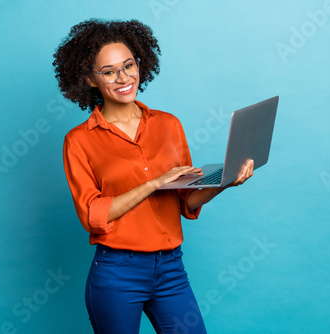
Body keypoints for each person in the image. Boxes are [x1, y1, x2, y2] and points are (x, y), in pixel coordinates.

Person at [53, 19, 254, 334]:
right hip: (117, 273)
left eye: (129, 65)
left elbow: (187, 201)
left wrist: (224, 182)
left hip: (171, 269)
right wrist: (153, 183)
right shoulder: (79, 140)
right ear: (91, 80)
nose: (123, 78)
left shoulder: (168, 125)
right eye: (109, 71)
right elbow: (93, 216)